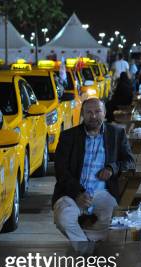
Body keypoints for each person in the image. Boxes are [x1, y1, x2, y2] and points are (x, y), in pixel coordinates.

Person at [52, 98, 135, 241]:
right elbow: (61, 169)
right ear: (82, 114)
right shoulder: (68, 136)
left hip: (101, 192)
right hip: (72, 192)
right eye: (89, 112)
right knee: (63, 218)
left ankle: (84, 242)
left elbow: (130, 161)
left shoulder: (116, 134)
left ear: (105, 113)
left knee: (113, 219)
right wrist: (78, 192)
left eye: (98, 111)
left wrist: (111, 168)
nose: (94, 116)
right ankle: (86, 250)